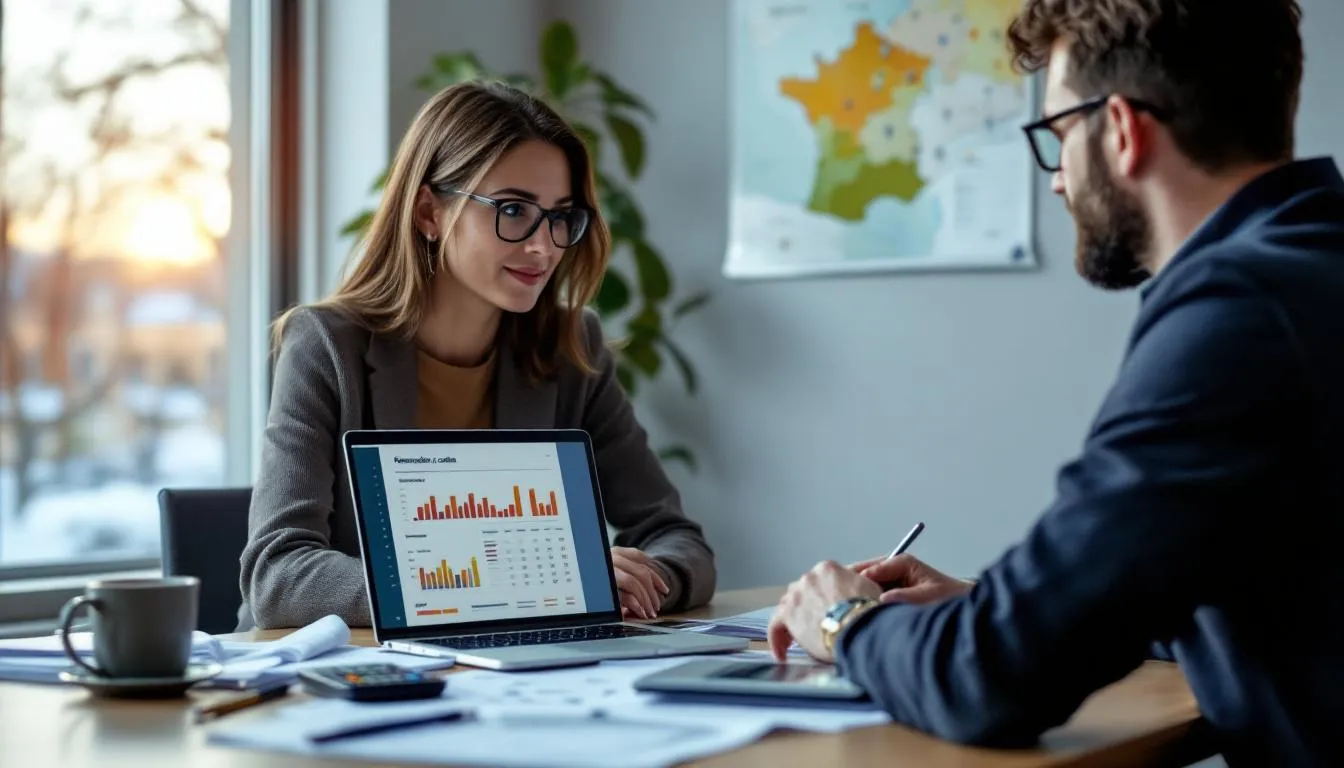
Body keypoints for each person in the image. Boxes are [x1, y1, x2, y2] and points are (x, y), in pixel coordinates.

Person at [768, 0, 1344, 764]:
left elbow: (993, 682)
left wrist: (845, 620)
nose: (1057, 183)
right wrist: (996, 608)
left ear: (1124, 131)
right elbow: (1279, 587)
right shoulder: (1312, 268)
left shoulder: (1238, 315)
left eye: (1058, 135)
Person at [238, 81, 715, 630]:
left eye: (561, 215)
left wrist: (648, 581)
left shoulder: (571, 348)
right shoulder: (326, 345)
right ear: (428, 213)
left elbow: (679, 541)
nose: (545, 245)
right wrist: (530, 584)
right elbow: (278, 576)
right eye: (513, 210)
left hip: (512, 679)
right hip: (341, 678)